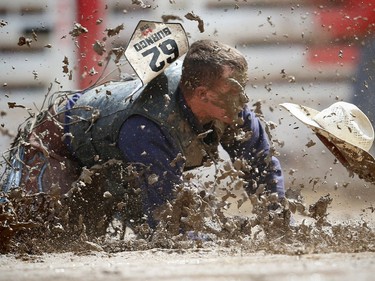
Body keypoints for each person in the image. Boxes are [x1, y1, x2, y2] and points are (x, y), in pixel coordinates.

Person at [1, 40, 285, 229]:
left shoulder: (232, 108)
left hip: (118, 156)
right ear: (203, 94)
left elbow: (261, 166)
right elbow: (165, 215)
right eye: (236, 90)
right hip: (58, 143)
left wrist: (278, 222)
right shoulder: (149, 126)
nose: (244, 99)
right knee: (34, 230)